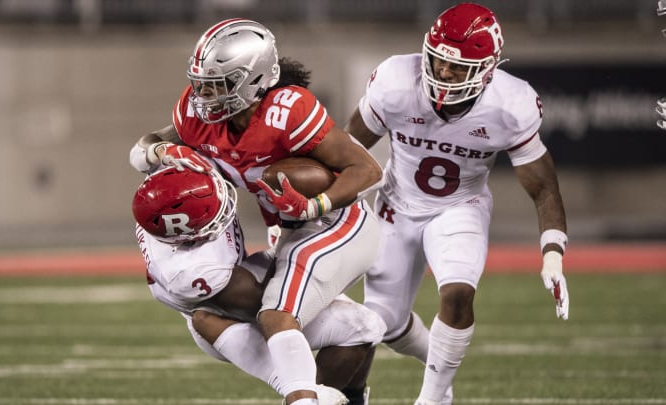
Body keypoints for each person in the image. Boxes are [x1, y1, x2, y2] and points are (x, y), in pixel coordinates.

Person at [129, 19, 384, 405]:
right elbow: (143, 149)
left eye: (218, 84)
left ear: (253, 80)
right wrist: (162, 152)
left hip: (335, 222)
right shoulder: (199, 117)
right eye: (201, 83)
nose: (203, 95)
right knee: (214, 315)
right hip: (290, 228)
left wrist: (314, 203)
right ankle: (336, 397)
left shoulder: (288, 111)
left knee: (275, 314)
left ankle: (302, 399)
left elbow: (368, 169)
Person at [344, 3, 569, 404]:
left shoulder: (510, 104)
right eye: (438, 61)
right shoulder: (396, 80)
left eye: (458, 67)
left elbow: (544, 188)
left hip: (459, 207)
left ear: (487, 69)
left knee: (458, 293)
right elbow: (347, 148)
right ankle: (440, 374)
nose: (444, 73)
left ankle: (431, 400)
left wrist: (553, 252)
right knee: (385, 325)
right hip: (396, 202)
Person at [131, 165, 386, 404]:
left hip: (238, 281)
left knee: (366, 326)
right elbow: (270, 307)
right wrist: (293, 237)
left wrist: (159, 147)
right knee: (361, 328)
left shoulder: (161, 197)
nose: (224, 207)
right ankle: (307, 396)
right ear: (189, 237)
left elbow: (151, 152)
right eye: (213, 213)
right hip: (225, 322)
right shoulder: (192, 271)